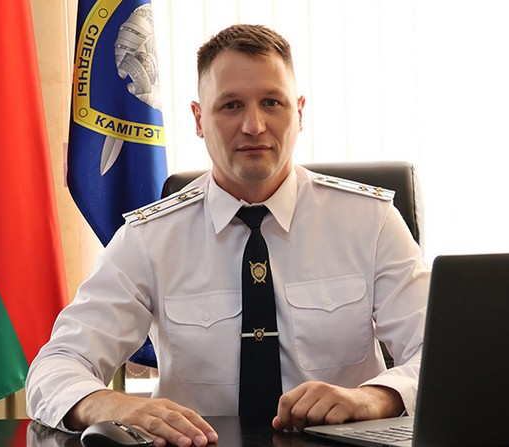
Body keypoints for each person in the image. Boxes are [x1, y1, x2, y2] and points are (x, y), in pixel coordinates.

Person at [26, 24, 429, 447]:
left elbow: (440, 356)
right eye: (231, 105)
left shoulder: (369, 222)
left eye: (272, 102)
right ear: (199, 119)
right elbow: (55, 367)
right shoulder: (149, 238)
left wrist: (375, 397)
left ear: (300, 112)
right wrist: (114, 406)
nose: (254, 126)